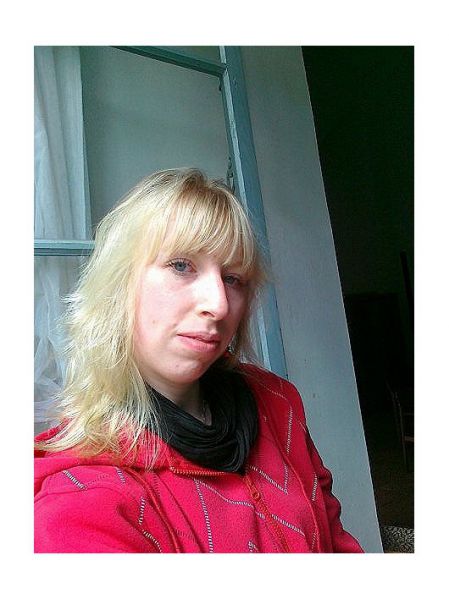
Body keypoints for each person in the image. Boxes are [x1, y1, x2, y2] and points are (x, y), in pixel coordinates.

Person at [34, 168, 363, 553]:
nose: (219, 305)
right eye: (181, 265)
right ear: (118, 283)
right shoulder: (80, 503)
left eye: (233, 278)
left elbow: (337, 542)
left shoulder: (277, 402)